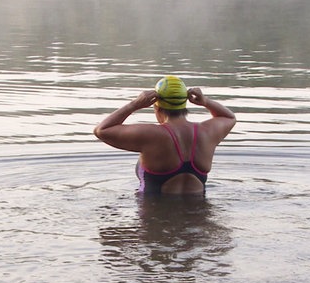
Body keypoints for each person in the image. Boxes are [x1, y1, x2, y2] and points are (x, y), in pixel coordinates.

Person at [93, 76, 236, 195]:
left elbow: (101, 130)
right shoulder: (207, 132)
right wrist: (206, 101)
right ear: (184, 105)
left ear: (157, 107)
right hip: (199, 215)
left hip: (155, 220)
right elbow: (229, 117)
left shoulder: (152, 135)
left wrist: (134, 104)